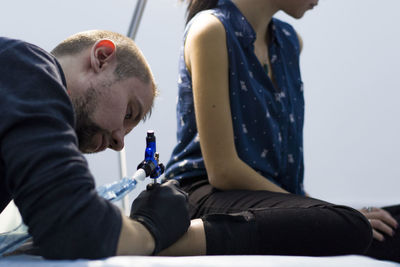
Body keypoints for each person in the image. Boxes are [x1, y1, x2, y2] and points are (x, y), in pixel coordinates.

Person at [164, 0, 400, 261]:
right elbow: (223, 171)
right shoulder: (211, 30)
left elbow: (286, 183)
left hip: (268, 201)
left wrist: (330, 212)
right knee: (352, 226)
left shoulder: (289, 41)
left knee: (383, 224)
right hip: (205, 194)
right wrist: (334, 213)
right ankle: (160, 241)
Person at [0, 30, 191, 259]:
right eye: (129, 112)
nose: (120, 143)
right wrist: (149, 229)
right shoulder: (25, 66)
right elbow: (73, 223)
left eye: (128, 132)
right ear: (101, 57)